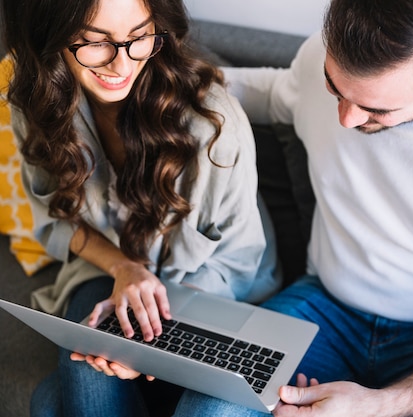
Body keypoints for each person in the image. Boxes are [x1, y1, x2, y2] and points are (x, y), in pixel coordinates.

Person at [171, 0, 413, 416]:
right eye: (334, 87)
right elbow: (277, 95)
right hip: (321, 307)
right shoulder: (317, 61)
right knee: (210, 407)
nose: (346, 118)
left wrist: (381, 405)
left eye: (376, 110)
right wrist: (161, 83)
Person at [1, 0, 279, 415]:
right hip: (105, 269)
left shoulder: (214, 126)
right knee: (81, 370)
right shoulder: (37, 102)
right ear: (50, 35)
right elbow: (57, 220)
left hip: (210, 294)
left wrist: (154, 332)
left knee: (50, 402)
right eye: (95, 43)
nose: (121, 65)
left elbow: (237, 265)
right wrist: (125, 269)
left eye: (139, 36)